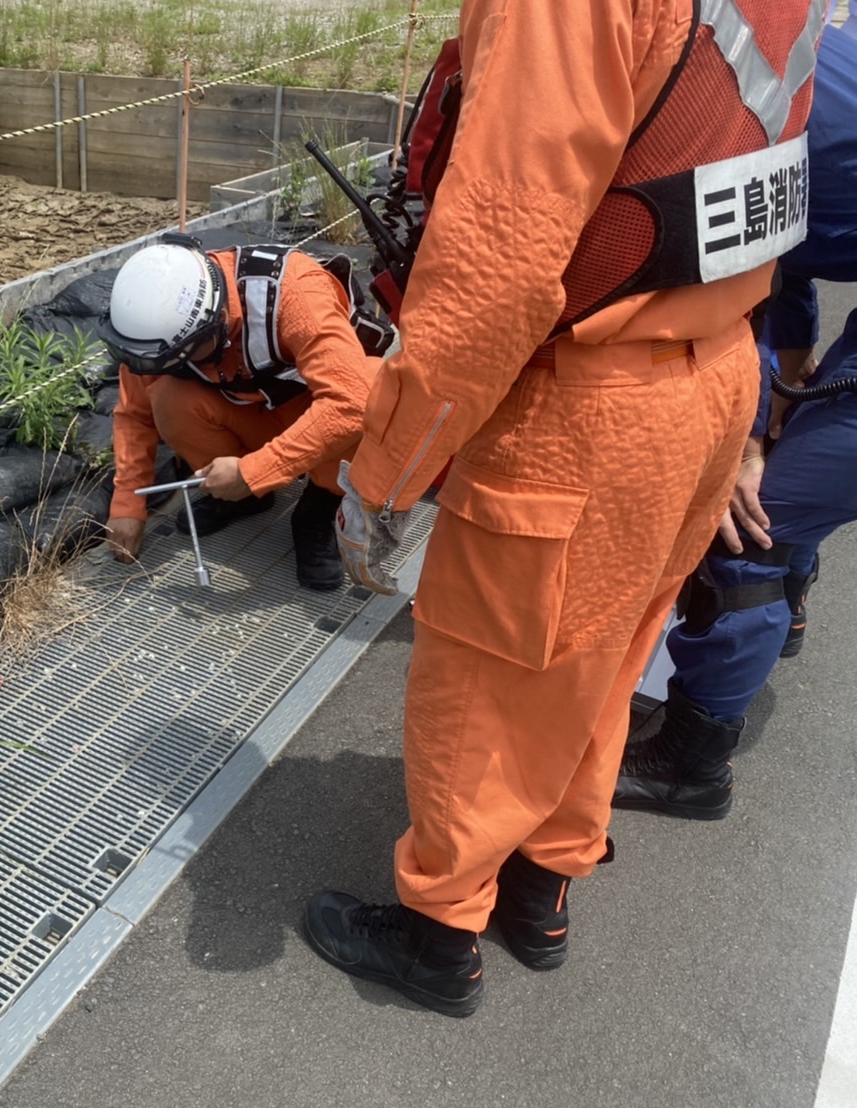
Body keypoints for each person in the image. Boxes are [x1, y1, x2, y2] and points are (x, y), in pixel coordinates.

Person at [303, 0, 823, 1017]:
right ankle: (541, 887)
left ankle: (437, 933)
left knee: (486, 680)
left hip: (588, 402)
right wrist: (747, 414)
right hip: (714, 370)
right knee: (606, 656)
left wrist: (383, 475)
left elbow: (494, 269)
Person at [614, 15, 857, 821]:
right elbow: (779, 245)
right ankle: (786, 612)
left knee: (751, 526)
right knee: (795, 462)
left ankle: (691, 764)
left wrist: (740, 445)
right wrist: (790, 377)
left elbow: (728, 287)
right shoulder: (779, 48)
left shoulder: (699, 95)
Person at [97, 234, 379, 591]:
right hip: (251, 411)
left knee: (371, 391)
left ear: (214, 326)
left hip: (314, 417)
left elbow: (351, 402)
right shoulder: (158, 331)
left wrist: (255, 471)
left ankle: (320, 508)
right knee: (169, 398)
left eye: (183, 356)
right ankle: (243, 498)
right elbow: (136, 414)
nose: (169, 365)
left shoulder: (296, 294)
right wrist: (127, 503)